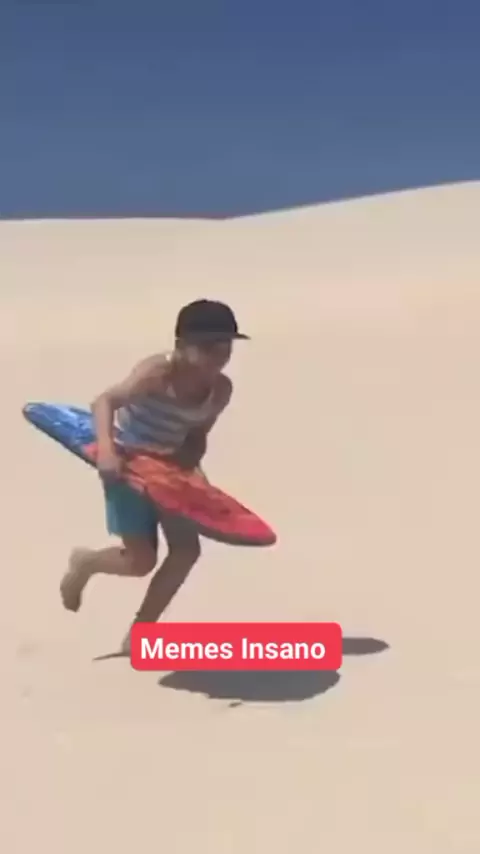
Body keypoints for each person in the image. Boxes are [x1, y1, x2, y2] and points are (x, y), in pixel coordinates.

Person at [60, 299, 249, 654]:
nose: (217, 357)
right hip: (129, 464)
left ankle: (142, 631)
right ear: (181, 346)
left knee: (186, 551)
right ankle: (87, 563)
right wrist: (107, 451)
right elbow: (105, 401)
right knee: (140, 562)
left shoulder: (220, 390)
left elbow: (197, 435)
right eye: (207, 347)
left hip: (172, 470)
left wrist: (194, 473)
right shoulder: (157, 374)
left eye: (225, 348)